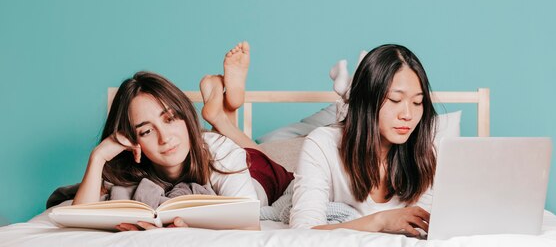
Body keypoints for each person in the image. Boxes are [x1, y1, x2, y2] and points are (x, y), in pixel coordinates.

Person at [72, 42, 293, 231]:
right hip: (207, 151)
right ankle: (220, 116)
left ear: (186, 116)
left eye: (169, 119)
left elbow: (249, 227)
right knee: (216, 146)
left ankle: (223, 119)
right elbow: (80, 220)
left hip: (259, 173)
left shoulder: (223, 154)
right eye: (146, 131)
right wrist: (98, 156)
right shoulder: (128, 164)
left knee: (255, 152)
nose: (165, 138)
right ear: (132, 140)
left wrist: (190, 230)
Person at [290, 44, 437, 236]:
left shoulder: (425, 154)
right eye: (394, 100)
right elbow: (302, 233)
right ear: (366, 101)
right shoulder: (322, 144)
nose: (408, 115)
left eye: (418, 102)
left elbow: (424, 230)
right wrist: (381, 220)